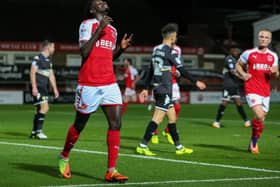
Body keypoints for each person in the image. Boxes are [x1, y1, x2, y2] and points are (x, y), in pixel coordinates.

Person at [58, 0, 132, 182]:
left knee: (116, 124)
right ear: (92, 9)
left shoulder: (113, 30)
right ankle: (64, 155)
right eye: (98, 3)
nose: (103, 3)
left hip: (109, 83)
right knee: (80, 124)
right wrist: (100, 28)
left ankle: (111, 171)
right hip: (89, 83)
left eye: (104, 2)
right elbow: (84, 52)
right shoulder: (87, 24)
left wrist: (120, 50)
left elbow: (108, 57)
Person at [136, 23, 206, 156]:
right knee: (157, 119)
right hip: (163, 88)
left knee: (172, 119)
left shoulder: (156, 51)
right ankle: (142, 145)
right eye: (175, 36)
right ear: (172, 37)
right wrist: (195, 81)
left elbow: (150, 70)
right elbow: (182, 69)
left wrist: (145, 88)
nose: (176, 38)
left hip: (159, 88)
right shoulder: (169, 52)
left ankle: (179, 147)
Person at [236, 29, 279, 154]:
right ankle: (254, 143)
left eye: (266, 37)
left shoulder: (273, 56)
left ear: (270, 40)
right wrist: (243, 74)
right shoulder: (249, 53)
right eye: (261, 37)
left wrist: (275, 72)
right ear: (258, 38)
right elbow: (238, 65)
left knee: (260, 120)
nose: (263, 39)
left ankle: (253, 140)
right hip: (251, 89)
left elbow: (276, 75)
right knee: (259, 116)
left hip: (265, 91)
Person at [212, 46, 251, 128]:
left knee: (239, 102)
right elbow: (233, 71)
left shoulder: (235, 60)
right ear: (231, 51)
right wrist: (243, 77)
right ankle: (216, 122)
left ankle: (246, 122)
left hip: (233, 85)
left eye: (238, 50)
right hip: (228, 84)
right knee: (225, 102)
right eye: (235, 50)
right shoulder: (229, 59)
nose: (236, 52)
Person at [151, 44, 183, 145]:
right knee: (159, 108)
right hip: (161, 82)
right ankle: (154, 133)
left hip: (173, 82)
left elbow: (178, 63)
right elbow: (154, 65)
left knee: (177, 107)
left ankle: (167, 130)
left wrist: (178, 72)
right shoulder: (157, 48)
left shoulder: (178, 49)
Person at [30, 40, 59, 139]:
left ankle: (34, 132)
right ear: (48, 48)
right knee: (45, 108)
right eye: (53, 47)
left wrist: (55, 89)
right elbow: (32, 72)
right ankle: (39, 132)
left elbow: (51, 75)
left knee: (39, 109)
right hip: (38, 86)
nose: (54, 49)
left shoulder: (48, 60)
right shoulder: (38, 58)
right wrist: (34, 87)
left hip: (44, 87)